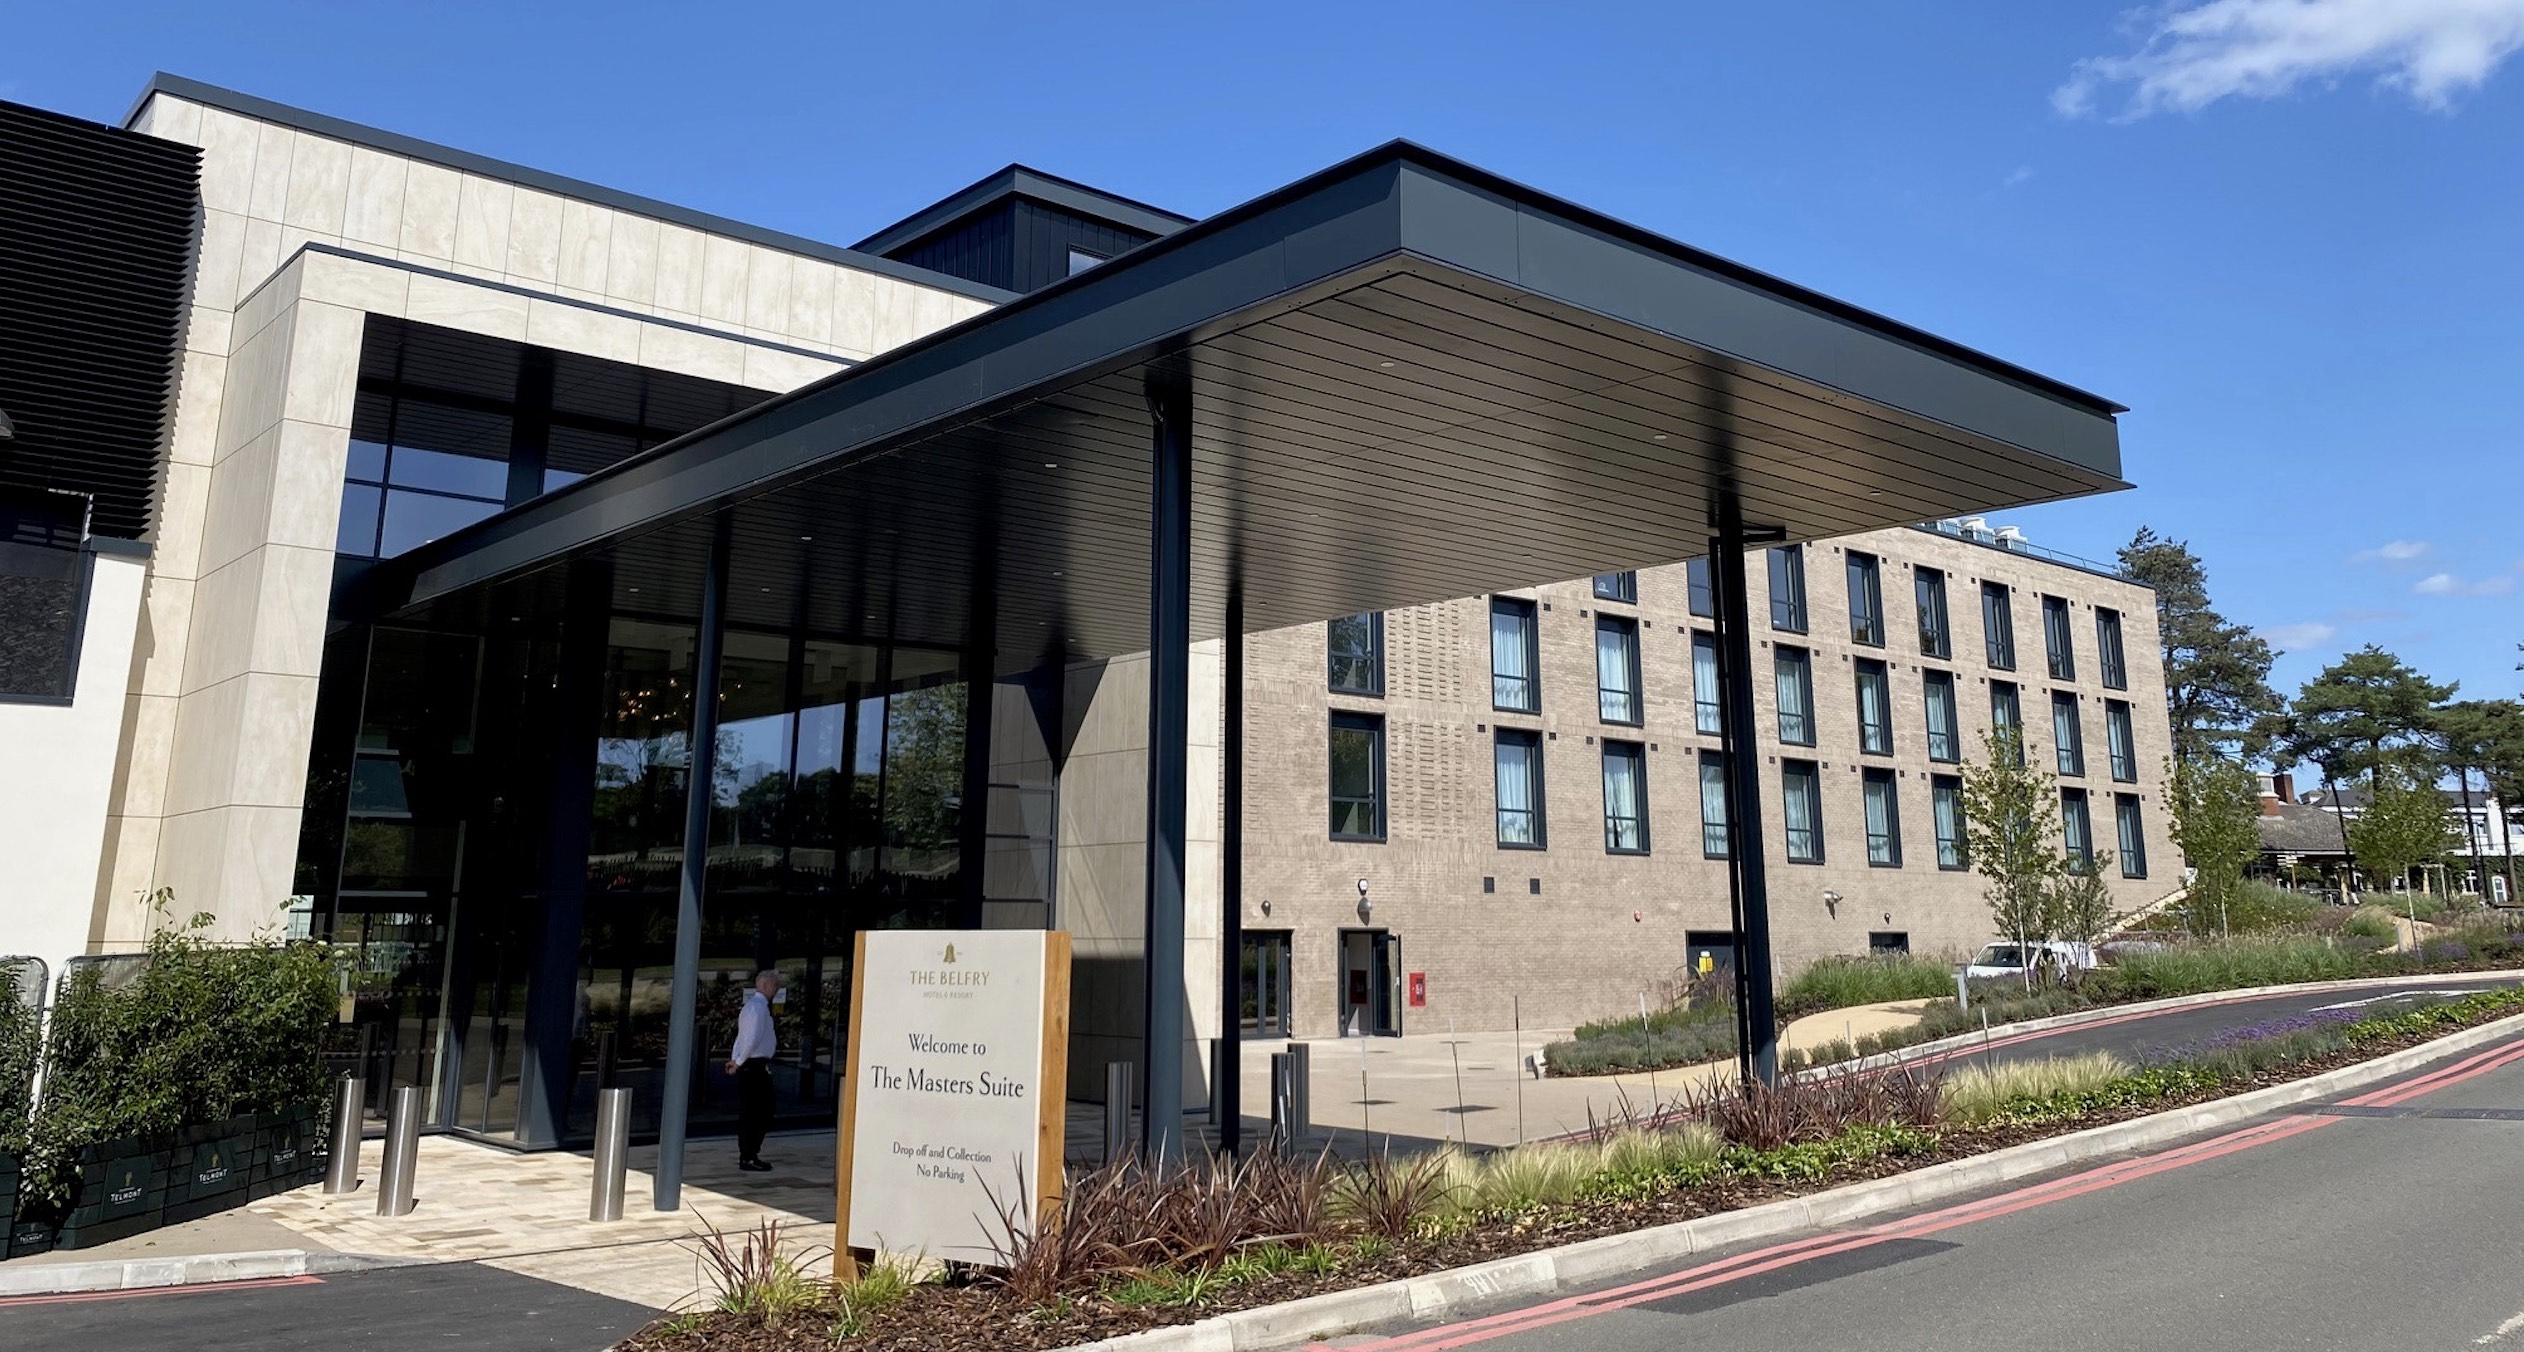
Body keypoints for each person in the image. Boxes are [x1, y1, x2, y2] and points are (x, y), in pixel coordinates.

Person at [727, 969, 781, 1172]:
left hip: (752, 1065)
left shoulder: (755, 1008)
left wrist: (736, 1059)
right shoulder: (757, 1009)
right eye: (775, 986)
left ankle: (750, 1154)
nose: (777, 990)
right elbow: (750, 1039)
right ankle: (748, 1155)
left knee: (758, 1111)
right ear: (767, 985)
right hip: (753, 1066)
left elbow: (742, 1038)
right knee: (758, 1112)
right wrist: (739, 1062)